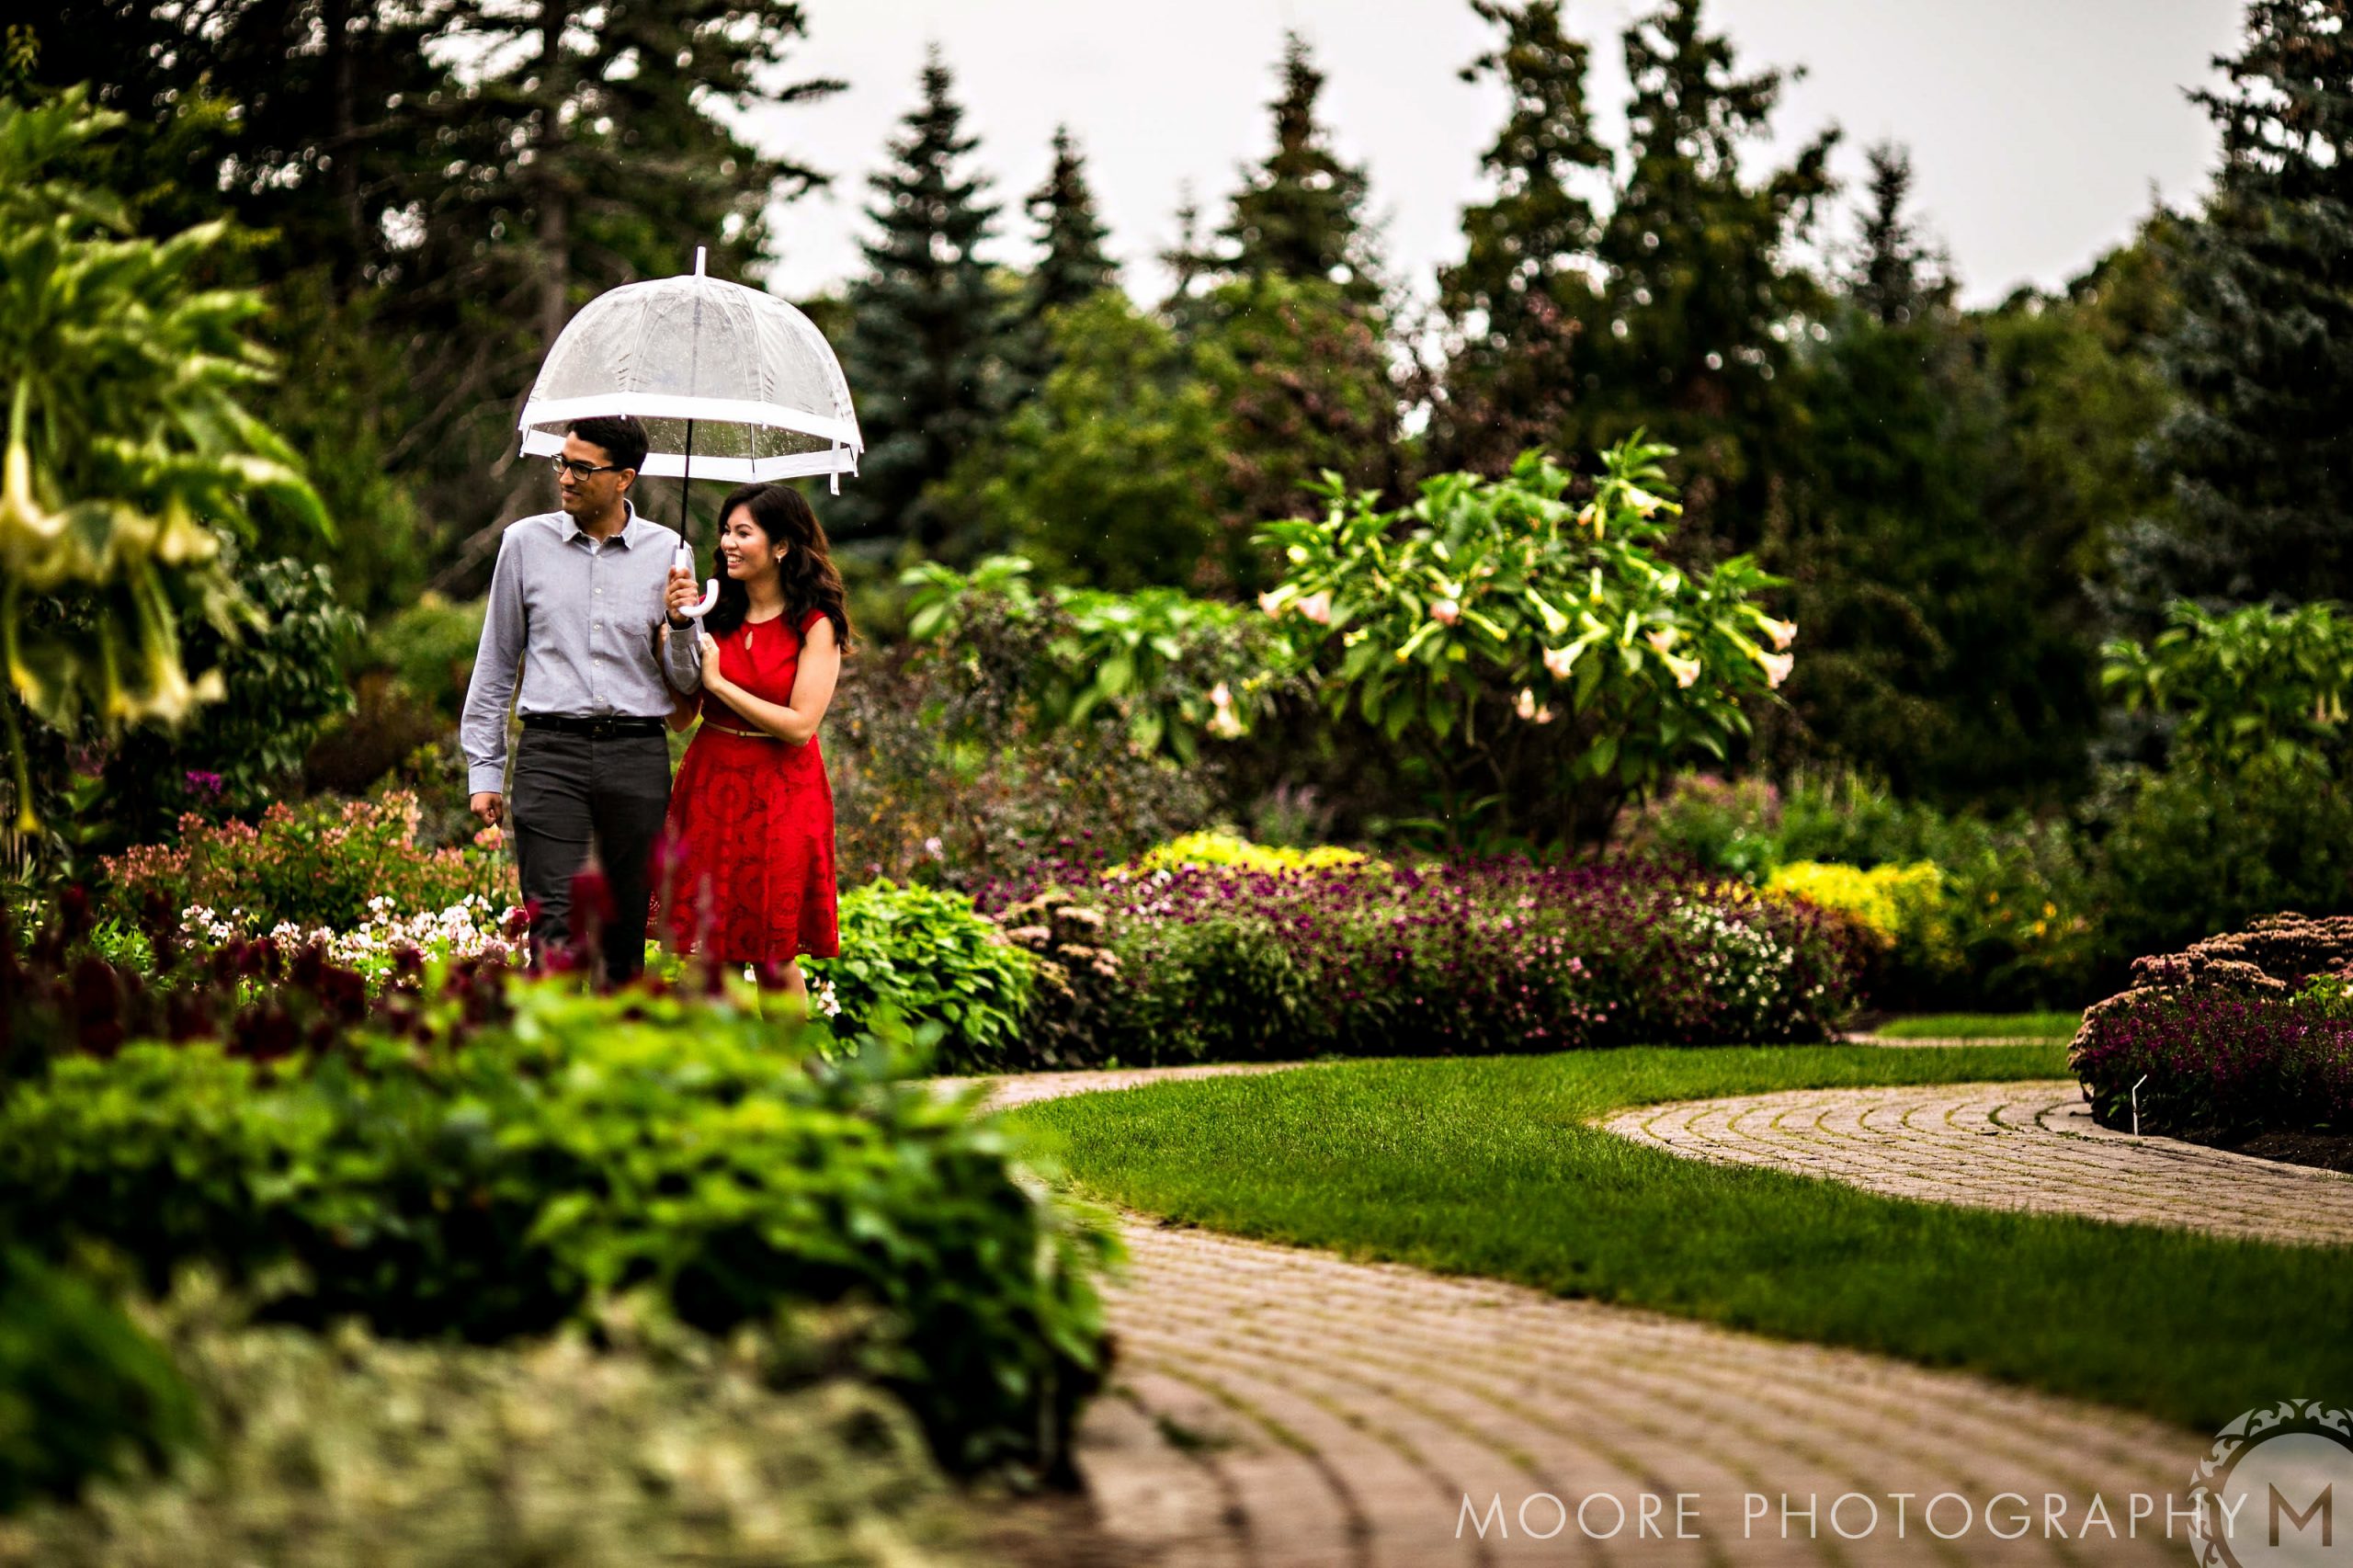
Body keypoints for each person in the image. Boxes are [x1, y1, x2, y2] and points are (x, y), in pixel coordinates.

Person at [460, 414, 706, 983]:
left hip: (637, 755)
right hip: (551, 753)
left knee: (623, 932)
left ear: (624, 478)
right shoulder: (523, 545)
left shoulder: (671, 552)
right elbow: (496, 662)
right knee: (555, 922)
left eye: (581, 467)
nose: (565, 478)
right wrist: (485, 770)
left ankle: (614, 1064)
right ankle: (551, 1064)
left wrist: (681, 622)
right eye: (561, 463)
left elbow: (687, 682)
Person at [659, 482, 847, 1008]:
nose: (728, 544)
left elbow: (799, 725)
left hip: (782, 789)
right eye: (725, 531)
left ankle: (791, 1079)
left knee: (771, 953)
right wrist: (674, 631)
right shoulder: (710, 611)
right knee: (706, 951)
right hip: (711, 782)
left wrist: (720, 685)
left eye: (744, 532)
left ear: (782, 545)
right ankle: (715, 1079)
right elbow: (679, 717)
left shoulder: (815, 624)